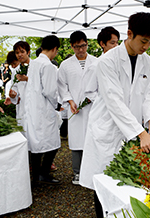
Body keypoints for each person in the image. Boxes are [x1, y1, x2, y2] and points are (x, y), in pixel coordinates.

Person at [79, 12, 150, 218]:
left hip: (131, 127)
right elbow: (114, 101)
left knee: (124, 178)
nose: (146, 47)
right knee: (103, 181)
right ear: (129, 34)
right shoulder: (107, 61)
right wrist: (141, 133)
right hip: (106, 127)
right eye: (143, 41)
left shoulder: (146, 60)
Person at [57, 30, 97, 185]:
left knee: (91, 139)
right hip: (75, 109)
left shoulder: (96, 62)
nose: (81, 49)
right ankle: (77, 172)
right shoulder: (65, 65)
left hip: (92, 108)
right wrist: (70, 101)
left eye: (84, 45)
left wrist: (91, 98)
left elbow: (101, 85)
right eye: (77, 47)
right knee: (76, 141)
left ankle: (92, 171)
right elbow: (62, 85)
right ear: (71, 47)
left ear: (87, 44)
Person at [24, 35, 62, 185]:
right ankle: (43, 173)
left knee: (35, 143)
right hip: (44, 108)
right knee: (53, 143)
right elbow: (50, 91)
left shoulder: (33, 63)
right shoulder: (48, 66)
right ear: (54, 49)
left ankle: (35, 176)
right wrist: (57, 105)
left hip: (34, 108)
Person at [9, 41, 31, 132]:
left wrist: (27, 79)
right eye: (17, 53)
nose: (20, 55)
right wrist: (13, 94)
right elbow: (14, 87)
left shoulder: (37, 67)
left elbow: (43, 84)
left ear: (28, 52)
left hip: (35, 105)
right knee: (23, 132)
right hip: (22, 107)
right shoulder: (16, 71)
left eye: (22, 52)